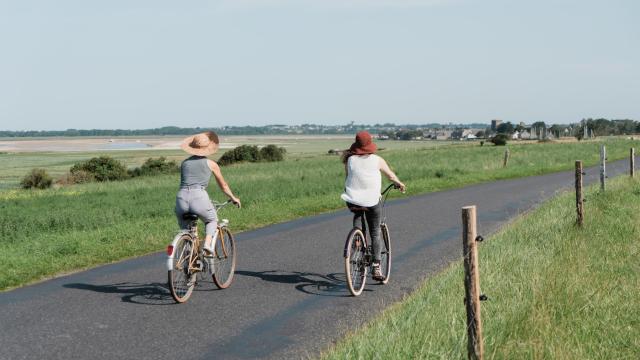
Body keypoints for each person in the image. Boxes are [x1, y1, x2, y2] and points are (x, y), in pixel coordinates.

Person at [341, 131, 406, 281]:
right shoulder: (377, 159)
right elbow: (390, 176)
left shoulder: (349, 160)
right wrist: (399, 183)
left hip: (352, 199)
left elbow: (348, 178)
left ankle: (357, 238)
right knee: (376, 232)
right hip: (371, 200)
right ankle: (376, 266)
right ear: (370, 145)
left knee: (358, 214)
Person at [175, 131, 241, 260]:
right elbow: (224, 186)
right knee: (211, 220)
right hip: (199, 197)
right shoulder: (211, 164)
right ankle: (207, 244)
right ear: (207, 148)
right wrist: (233, 198)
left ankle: (189, 267)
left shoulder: (184, 163)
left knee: (187, 232)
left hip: (181, 198)